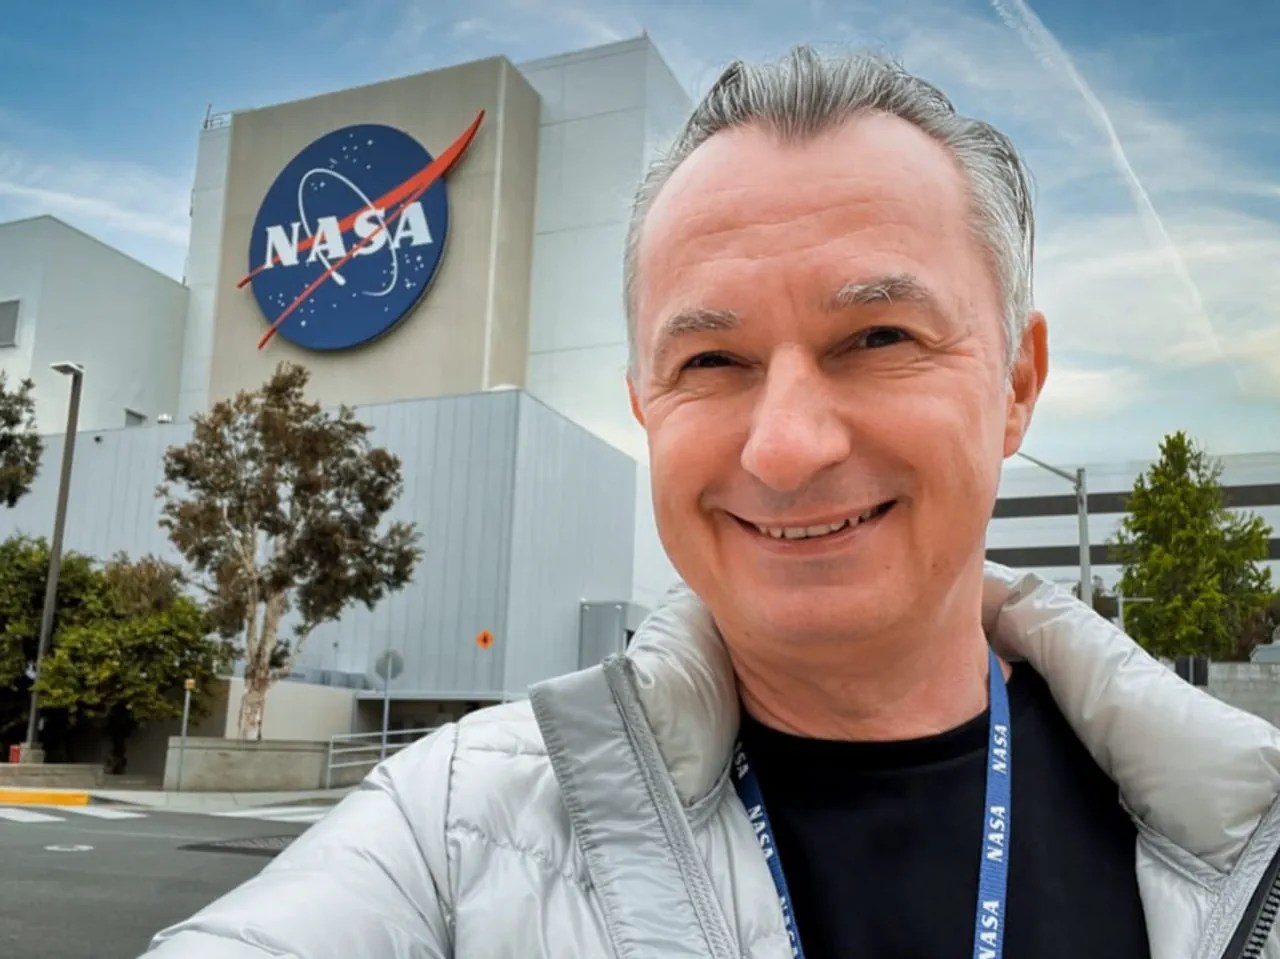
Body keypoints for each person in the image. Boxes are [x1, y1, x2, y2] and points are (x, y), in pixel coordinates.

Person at [146, 47, 1280, 959]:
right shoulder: (450, 831)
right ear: (643, 401)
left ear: (1015, 384)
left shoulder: (1238, 836)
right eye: (709, 361)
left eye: (877, 336)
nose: (784, 448)